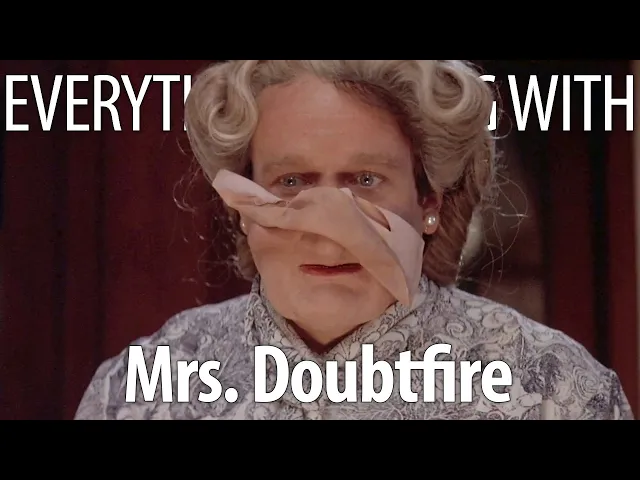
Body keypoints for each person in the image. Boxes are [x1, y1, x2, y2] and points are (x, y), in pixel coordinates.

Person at [75, 60, 633, 420]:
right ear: (240, 204)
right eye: (291, 182)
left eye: (366, 180)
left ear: (429, 202)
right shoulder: (138, 394)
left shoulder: (555, 390)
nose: (328, 229)